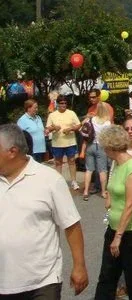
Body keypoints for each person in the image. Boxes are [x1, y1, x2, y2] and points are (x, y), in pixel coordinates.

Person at [0, 124, 89, 299]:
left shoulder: (49, 180)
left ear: (12, 151)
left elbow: (71, 224)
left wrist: (79, 266)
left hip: (42, 283)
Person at [94, 125, 132, 300]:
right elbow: (114, 189)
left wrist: (118, 236)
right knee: (107, 276)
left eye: (104, 146)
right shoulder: (116, 164)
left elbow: (131, 204)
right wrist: (109, 198)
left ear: (110, 146)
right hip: (113, 227)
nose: (103, 150)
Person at [46, 95, 81, 191]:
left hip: (70, 142)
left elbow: (78, 125)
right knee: (58, 163)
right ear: (57, 104)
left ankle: (74, 181)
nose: (64, 105)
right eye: (61, 103)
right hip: (57, 143)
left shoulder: (71, 113)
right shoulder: (52, 115)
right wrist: (54, 128)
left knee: (72, 161)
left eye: (65, 103)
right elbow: (48, 128)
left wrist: (71, 129)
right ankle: (59, 182)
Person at [82, 101, 113, 201]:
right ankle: (103, 192)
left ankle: (86, 191)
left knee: (89, 170)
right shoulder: (107, 123)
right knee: (102, 170)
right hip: (101, 146)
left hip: (90, 145)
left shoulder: (92, 119)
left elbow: (83, 126)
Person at [17, 98, 46, 163]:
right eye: (35, 108)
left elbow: (41, 131)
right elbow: (19, 136)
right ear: (28, 108)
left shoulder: (38, 118)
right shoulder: (22, 120)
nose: (37, 110)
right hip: (31, 151)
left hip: (41, 149)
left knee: (40, 170)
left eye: (37, 108)